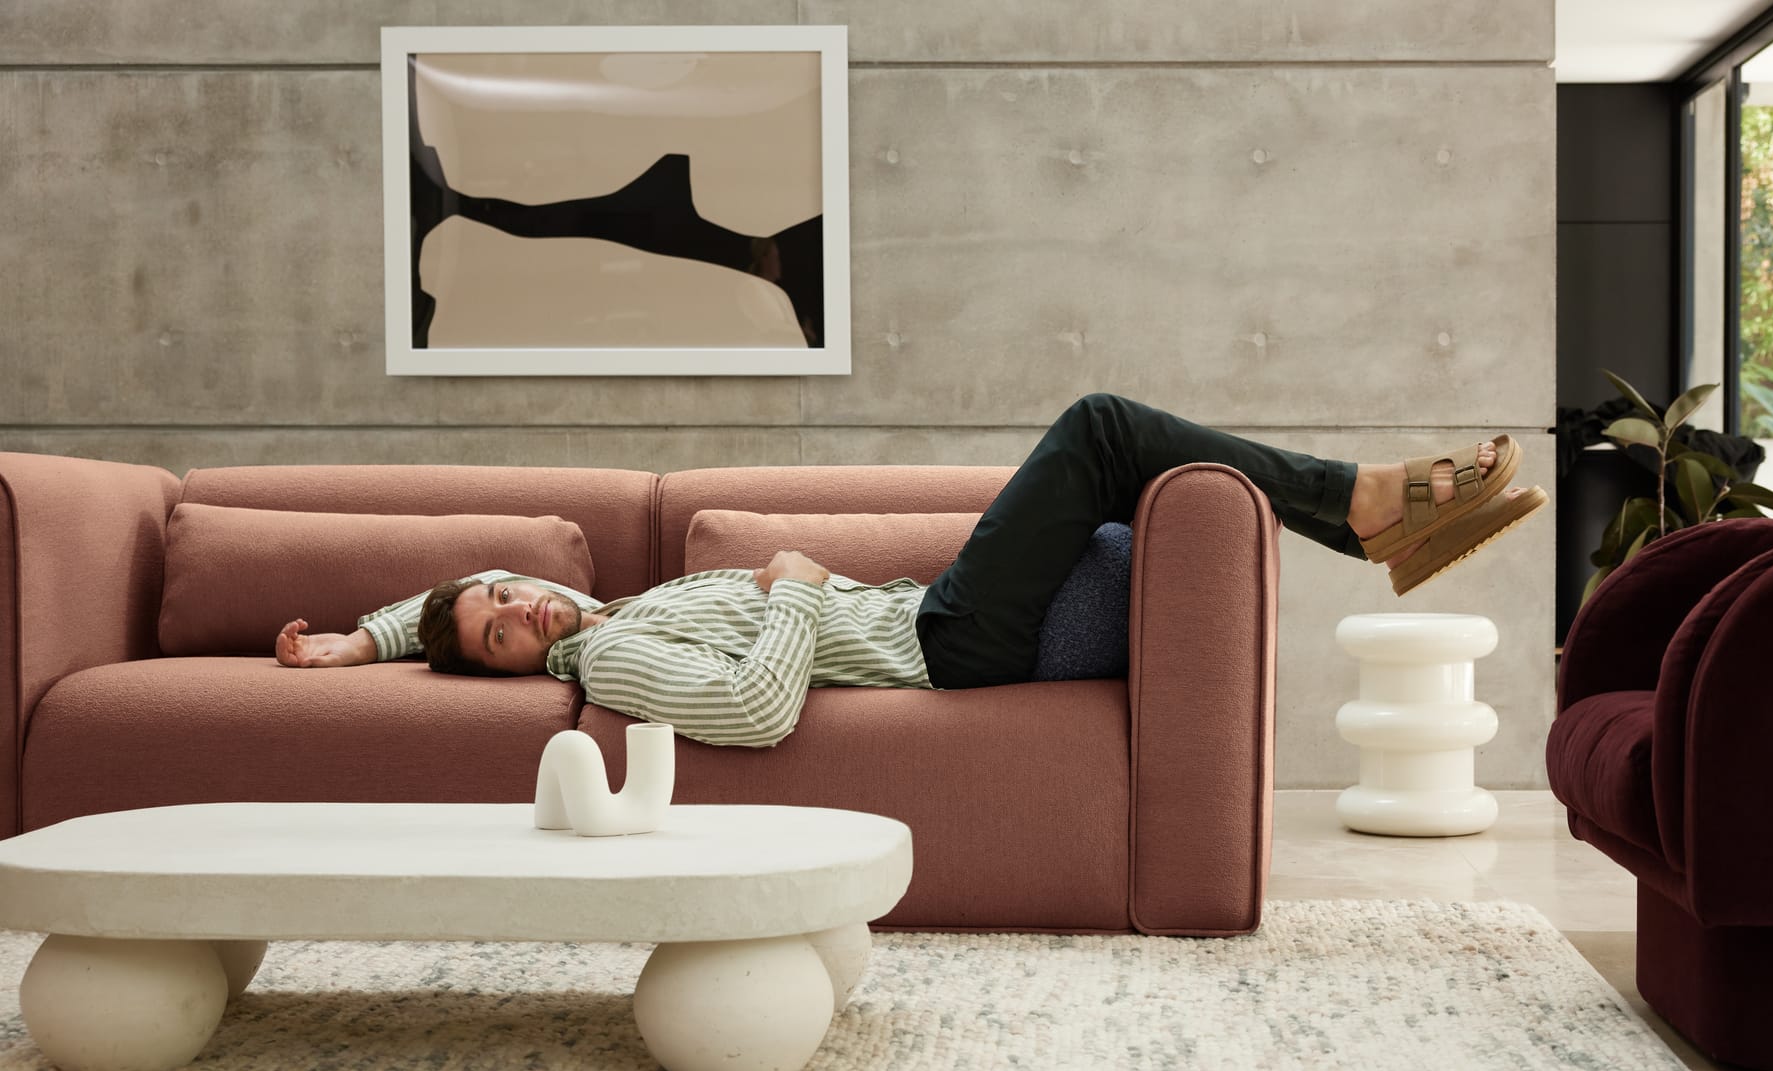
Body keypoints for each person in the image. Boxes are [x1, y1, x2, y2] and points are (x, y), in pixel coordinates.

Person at [275, 392, 1545, 748]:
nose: (525, 609)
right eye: (504, 634)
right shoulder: (609, 652)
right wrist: (793, 599)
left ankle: (1367, 515)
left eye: (509, 588)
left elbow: (445, 606)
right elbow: (758, 713)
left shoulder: (602, 600)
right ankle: (1368, 509)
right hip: (946, 648)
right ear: (516, 665)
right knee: (1101, 431)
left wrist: (362, 637)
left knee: (1125, 482)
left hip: (939, 621)